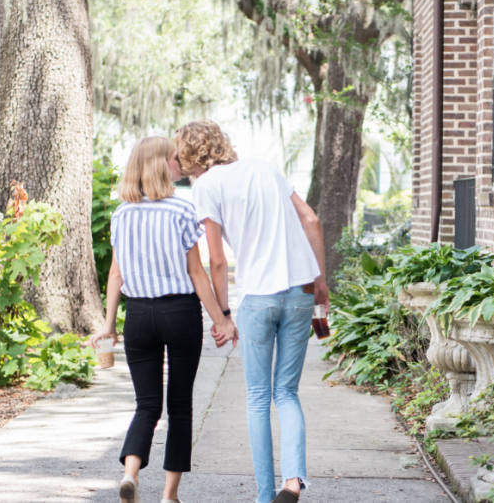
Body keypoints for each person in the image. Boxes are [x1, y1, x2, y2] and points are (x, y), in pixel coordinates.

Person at [173, 120, 328, 503]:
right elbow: (311, 220)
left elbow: (217, 261)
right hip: (301, 291)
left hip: (260, 295)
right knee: (287, 393)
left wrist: (223, 315)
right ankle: (292, 482)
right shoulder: (264, 167)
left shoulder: (206, 187)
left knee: (258, 397)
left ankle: (264, 496)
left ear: (193, 155)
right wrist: (320, 282)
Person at [88, 136, 237, 503]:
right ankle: (169, 495)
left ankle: (130, 473)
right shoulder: (181, 210)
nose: (180, 163)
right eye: (174, 158)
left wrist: (108, 326)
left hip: (138, 315)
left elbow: (115, 277)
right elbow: (198, 274)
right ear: (159, 165)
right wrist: (221, 319)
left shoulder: (121, 214)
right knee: (180, 405)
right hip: (179, 313)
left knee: (146, 405)